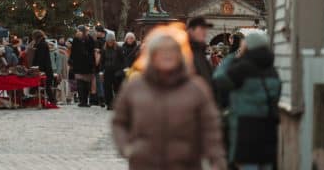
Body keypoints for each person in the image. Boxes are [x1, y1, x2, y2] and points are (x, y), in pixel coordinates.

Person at [112, 26, 226, 170]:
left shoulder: (195, 88)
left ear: (180, 55)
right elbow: (119, 121)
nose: (167, 55)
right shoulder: (135, 87)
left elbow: (211, 128)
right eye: (161, 51)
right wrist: (127, 147)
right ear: (152, 55)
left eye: (172, 51)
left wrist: (216, 160)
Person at [217, 30, 280, 170]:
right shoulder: (273, 71)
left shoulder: (243, 68)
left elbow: (219, 79)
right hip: (269, 130)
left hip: (246, 131)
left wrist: (232, 57)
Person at [69, 25, 95, 107]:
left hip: (81, 64)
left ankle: (82, 101)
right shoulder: (89, 39)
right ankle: (84, 101)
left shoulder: (77, 39)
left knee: (82, 83)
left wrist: (71, 60)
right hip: (86, 64)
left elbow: (73, 52)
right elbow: (92, 50)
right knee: (85, 83)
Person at [186, 16, 215, 90]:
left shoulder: (199, 51)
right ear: (191, 30)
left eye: (205, 29)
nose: (205, 32)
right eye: (201, 29)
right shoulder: (186, 52)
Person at [101, 32, 125, 110]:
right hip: (107, 71)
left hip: (117, 71)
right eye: (108, 41)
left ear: (114, 41)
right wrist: (101, 70)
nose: (110, 42)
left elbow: (123, 61)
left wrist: (121, 70)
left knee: (117, 88)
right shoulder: (104, 49)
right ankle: (109, 104)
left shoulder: (119, 49)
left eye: (111, 41)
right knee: (107, 88)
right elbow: (102, 60)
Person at [31, 30, 55, 104]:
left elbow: (40, 58)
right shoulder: (42, 44)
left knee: (47, 86)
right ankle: (51, 100)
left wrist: (37, 68)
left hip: (44, 69)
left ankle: (52, 101)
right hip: (46, 68)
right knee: (47, 87)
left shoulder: (41, 45)